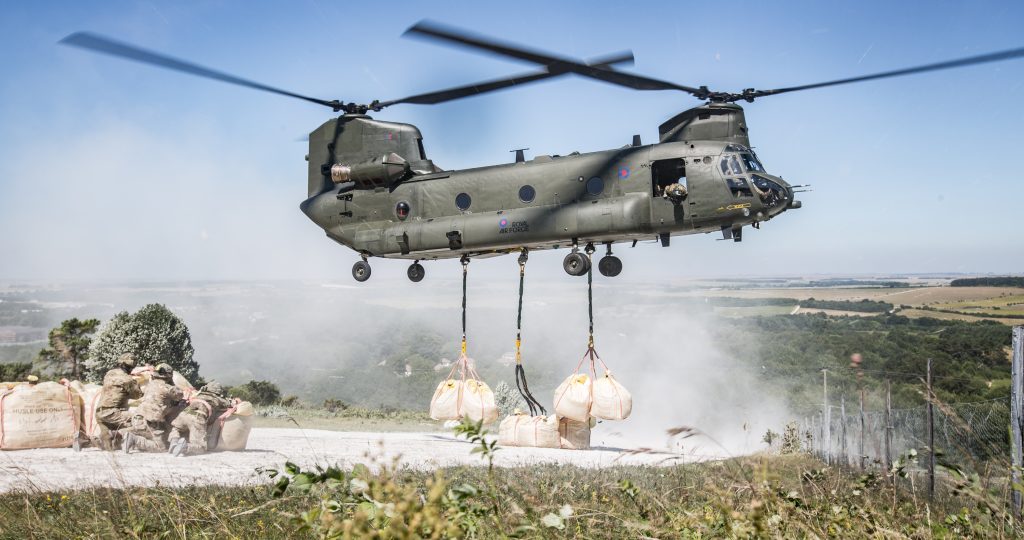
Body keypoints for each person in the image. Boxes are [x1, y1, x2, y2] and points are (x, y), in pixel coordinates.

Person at [123, 363, 185, 453]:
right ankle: (135, 440)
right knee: (161, 447)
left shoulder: (150, 385)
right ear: (169, 376)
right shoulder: (167, 388)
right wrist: (172, 383)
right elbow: (180, 395)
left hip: (137, 418)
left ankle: (122, 436)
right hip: (149, 422)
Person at [167, 381, 233, 457]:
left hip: (184, 414)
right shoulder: (218, 399)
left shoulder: (199, 394)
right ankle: (185, 447)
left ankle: (174, 441)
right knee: (200, 447)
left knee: (176, 429)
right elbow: (230, 405)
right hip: (197, 417)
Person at [95, 353, 143, 450]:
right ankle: (120, 436)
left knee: (109, 445)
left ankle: (84, 440)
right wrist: (137, 384)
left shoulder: (109, 373)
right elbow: (137, 395)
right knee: (140, 422)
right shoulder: (128, 380)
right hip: (113, 413)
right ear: (132, 367)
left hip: (99, 413)